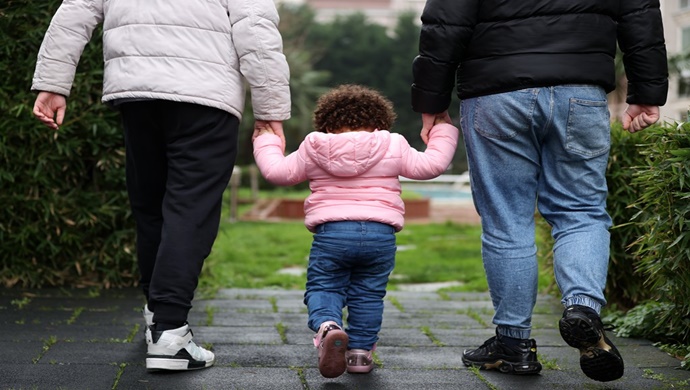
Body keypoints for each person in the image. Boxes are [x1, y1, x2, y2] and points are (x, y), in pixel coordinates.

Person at [411, 0, 668, 383]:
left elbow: (446, 21)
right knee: (580, 211)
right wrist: (646, 89)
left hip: (497, 92)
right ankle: (582, 308)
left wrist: (432, 100)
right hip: (580, 90)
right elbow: (639, 11)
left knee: (506, 219)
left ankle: (513, 345)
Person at [31, 0, 290, 371]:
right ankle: (170, 331)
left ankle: (157, 317)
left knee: (151, 205)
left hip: (136, 91)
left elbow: (75, 12)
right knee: (190, 209)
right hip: (206, 97)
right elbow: (255, 28)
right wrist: (270, 110)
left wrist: (53, 84)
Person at [252, 84, 458, 378]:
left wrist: (267, 140)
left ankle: (328, 325)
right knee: (369, 295)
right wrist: (442, 130)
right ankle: (360, 355)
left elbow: (277, 173)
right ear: (379, 120)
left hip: (333, 233)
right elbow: (433, 164)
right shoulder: (392, 143)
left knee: (325, 286)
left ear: (326, 121)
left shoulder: (314, 145)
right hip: (380, 235)